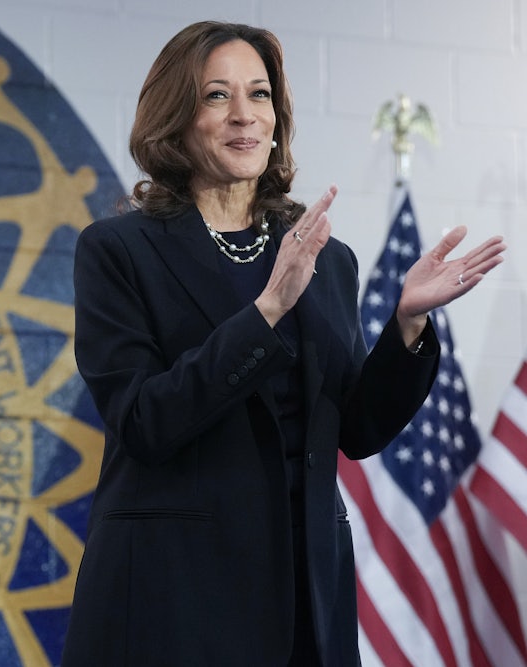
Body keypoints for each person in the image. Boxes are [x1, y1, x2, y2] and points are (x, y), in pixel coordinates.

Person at [60, 20, 505, 667]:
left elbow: (355, 426)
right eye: (217, 96)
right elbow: (144, 420)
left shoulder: (324, 256)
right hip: (173, 599)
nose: (245, 115)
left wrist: (407, 324)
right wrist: (265, 312)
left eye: (259, 94)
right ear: (175, 118)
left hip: (303, 597)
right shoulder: (117, 251)